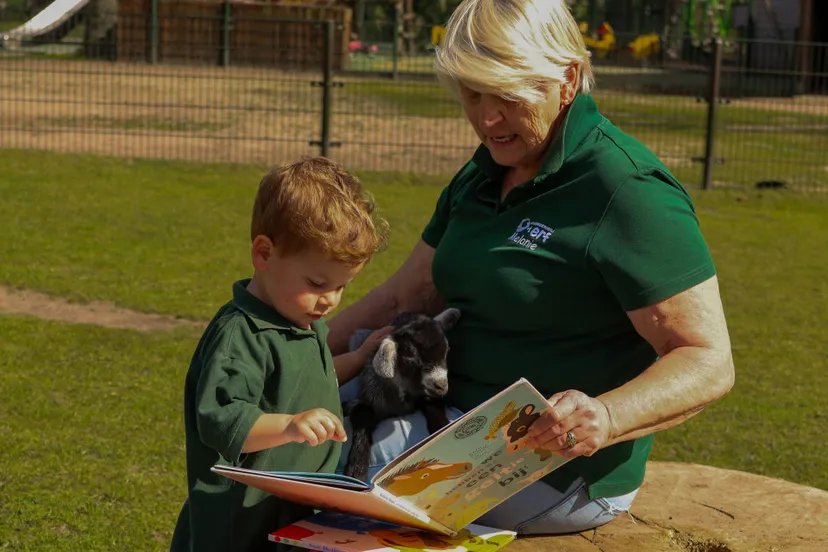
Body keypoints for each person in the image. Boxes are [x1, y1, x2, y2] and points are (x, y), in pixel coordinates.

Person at [327, 0, 735, 536]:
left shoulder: (625, 189)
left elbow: (707, 359)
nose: (486, 118)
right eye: (472, 95)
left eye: (506, 96)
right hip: (440, 415)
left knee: (331, 476)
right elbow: (407, 295)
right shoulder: (483, 172)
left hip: (551, 468)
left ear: (566, 79)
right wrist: (282, 347)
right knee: (276, 430)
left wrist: (605, 417)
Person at [170, 157, 392, 552]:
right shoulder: (242, 335)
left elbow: (304, 385)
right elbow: (223, 420)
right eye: (318, 283)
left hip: (291, 508)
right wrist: (290, 426)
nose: (330, 301)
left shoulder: (299, 321)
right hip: (238, 522)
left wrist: (357, 360)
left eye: (343, 287)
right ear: (264, 255)